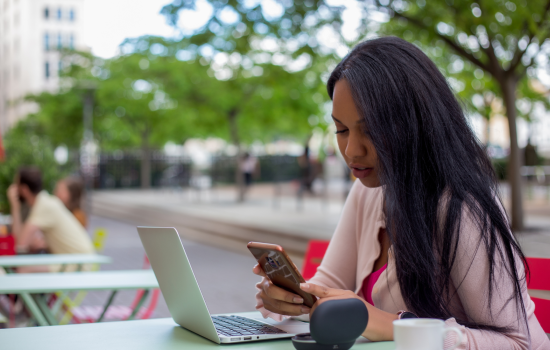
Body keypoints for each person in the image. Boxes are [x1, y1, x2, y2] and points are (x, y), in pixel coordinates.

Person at [253, 37, 549, 349]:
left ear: (416, 124)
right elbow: (329, 289)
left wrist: (388, 325)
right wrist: (292, 300)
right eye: (341, 130)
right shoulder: (367, 191)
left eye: (370, 130)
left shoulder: (462, 208)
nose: (351, 150)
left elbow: (520, 343)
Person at [7, 167, 95, 272]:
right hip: (72, 259)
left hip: (78, 262)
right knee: (27, 267)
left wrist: (15, 207)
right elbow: (24, 242)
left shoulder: (44, 205)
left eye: (16, 186)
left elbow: (20, 244)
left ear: (24, 189)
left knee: (24, 270)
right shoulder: (44, 202)